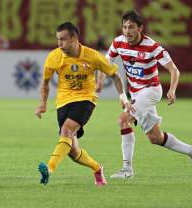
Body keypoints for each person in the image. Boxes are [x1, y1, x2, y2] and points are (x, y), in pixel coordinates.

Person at [96, 10, 192, 179]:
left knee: (123, 120)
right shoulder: (118, 43)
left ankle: (127, 169)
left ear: (140, 28)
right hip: (136, 94)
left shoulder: (152, 47)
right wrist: (100, 81)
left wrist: (172, 89)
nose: (127, 31)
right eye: (124, 27)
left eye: (131, 27)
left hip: (152, 91)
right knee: (155, 137)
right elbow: (105, 62)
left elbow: (174, 70)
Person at [35, 22, 129, 186]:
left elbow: (115, 75)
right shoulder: (54, 57)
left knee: (66, 130)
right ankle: (97, 168)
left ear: (74, 38)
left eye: (63, 40)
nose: (60, 44)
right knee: (72, 151)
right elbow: (45, 83)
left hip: (85, 100)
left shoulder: (92, 56)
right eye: (58, 40)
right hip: (63, 102)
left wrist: (122, 96)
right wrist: (42, 104)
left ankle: (49, 170)